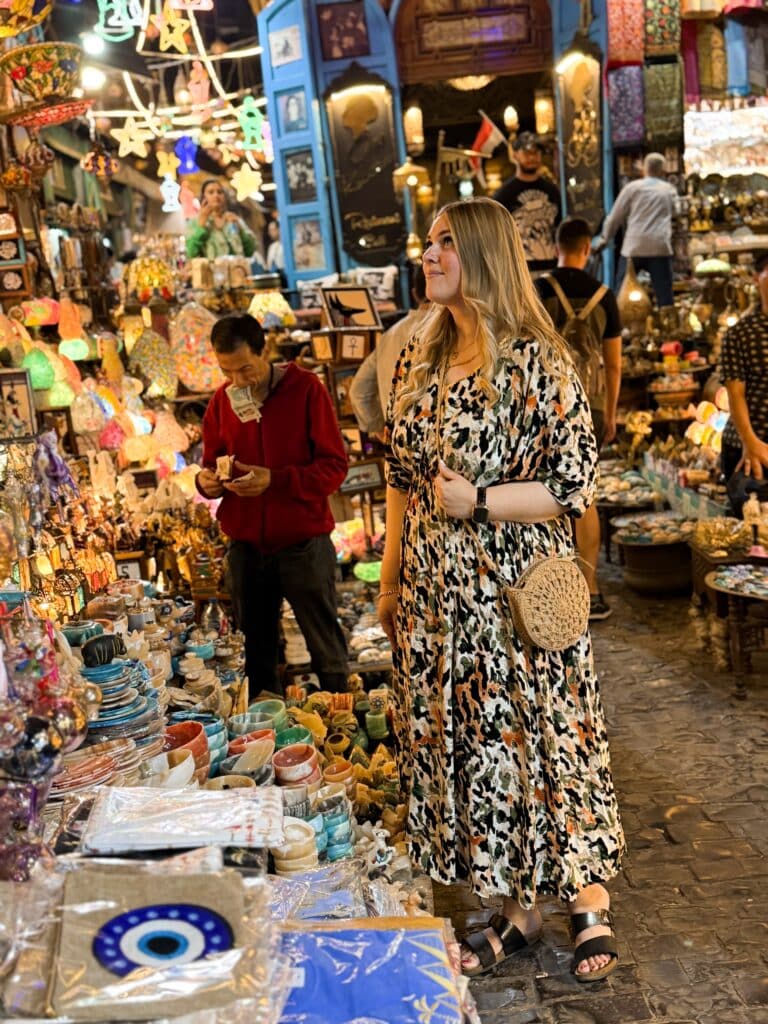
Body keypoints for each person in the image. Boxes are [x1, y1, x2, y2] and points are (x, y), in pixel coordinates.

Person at [378, 197, 624, 983]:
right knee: (483, 753)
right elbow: (399, 479)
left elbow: (574, 481)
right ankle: (516, 909)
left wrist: (478, 502)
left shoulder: (535, 359)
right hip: (438, 596)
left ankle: (588, 899)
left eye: (445, 243)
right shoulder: (420, 354)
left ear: (482, 253)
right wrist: (389, 579)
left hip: (516, 592)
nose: (430, 255)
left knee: (551, 738)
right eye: (426, 243)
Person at [196, 314, 349, 695]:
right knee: (256, 654)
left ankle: (344, 728)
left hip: (303, 545)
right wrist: (207, 483)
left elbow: (333, 469)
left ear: (265, 351)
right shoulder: (220, 401)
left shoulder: (306, 390)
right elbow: (210, 464)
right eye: (227, 371)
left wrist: (275, 481)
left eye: (245, 368)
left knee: (326, 651)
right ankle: (268, 739)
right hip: (246, 548)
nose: (238, 380)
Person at [536, 217, 622, 620]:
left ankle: (551, 587)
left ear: (557, 246)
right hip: (592, 406)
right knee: (584, 497)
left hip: (546, 405)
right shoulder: (605, 296)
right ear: (587, 249)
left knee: (543, 496)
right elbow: (613, 365)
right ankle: (591, 591)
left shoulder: (537, 289)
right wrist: (612, 412)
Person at [349, 266, 429, 438]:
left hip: (398, 446)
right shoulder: (454, 330)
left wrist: (379, 428)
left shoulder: (389, 335)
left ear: (414, 294)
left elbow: (358, 391)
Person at [595, 153, 678, 308]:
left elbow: (615, 217)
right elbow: (676, 212)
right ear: (663, 171)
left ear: (644, 169)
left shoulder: (632, 188)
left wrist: (605, 239)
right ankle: (668, 326)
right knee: (665, 298)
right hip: (660, 247)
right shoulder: (669, 190)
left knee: (622, 294)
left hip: (633, 247)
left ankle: (620, 327)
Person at [720, 249, 768, 486]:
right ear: (756, 278)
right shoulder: (739, 334)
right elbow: (735, 393)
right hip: (747, 444)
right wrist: (750, 442)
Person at [492, 132, 561, 272]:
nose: (532, 157)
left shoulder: (552, 191)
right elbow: (495, 235)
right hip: (520, 271)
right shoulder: (504, 195)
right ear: (515, 154)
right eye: (527, 152)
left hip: (552, 268)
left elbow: (560, 226)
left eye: (536, 153)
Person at [186, 179, 257, 260]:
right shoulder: (195, 222)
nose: (216, 195)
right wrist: (201, 227)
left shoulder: (234, 219)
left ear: (225, 197)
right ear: (203, 197)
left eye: (220, 192)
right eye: (211, 192)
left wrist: (240, 229)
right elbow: (191, 253)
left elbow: (250, 251)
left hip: (236, 270)